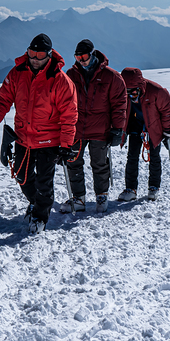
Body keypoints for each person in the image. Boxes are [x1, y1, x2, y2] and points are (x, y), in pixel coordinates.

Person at [0, 34, 78, 233]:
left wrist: (66, 144)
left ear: (49, 55)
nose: (34, 58)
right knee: (21, 175)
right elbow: (4, 99)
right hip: (24, 138)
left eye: (39, 54)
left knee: (44, 181)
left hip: (49, 140)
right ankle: (37, 202)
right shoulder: (17, 72)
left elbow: (69, 116)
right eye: (31, 52)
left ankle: (40, 216)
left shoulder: (60, 80)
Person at [61, 39, 127, 214]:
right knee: (73, 163)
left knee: (99, 164)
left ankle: (101, 195)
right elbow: (63, 102)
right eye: (77, 57)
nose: (81, 60)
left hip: (101, 128)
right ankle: (79, 198)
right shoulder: (71, 75)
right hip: (77, 128)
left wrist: (117, 128)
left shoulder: (111, 76)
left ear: (92, 54)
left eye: (84, 56)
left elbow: (119, 104)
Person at [119, 68, 170, 202]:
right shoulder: (123, 93)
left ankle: (154, 187)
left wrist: (166, 131)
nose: (130, 95)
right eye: (127, 92)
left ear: (140, 87)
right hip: (134, 126)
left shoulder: (157, 91)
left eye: (133, 92)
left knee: (154, 157)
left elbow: (167, 110)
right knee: (132, 156)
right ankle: (130, 189)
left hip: (154, 127)